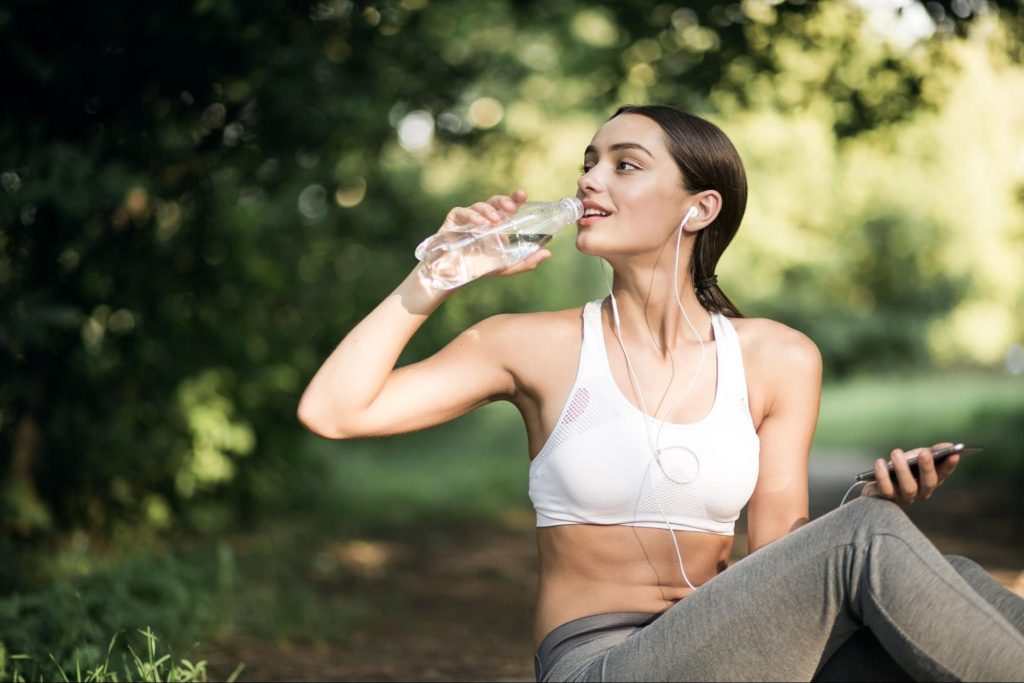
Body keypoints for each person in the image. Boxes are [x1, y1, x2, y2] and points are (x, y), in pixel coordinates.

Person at [297, 104, 1024, 681]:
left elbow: (781, 549)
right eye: (589, 163)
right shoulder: (530, 345)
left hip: (739, 649)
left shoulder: (777, 356)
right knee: (882, 553)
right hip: (602, 663)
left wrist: (870, 508)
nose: (589, 180)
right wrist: (438, 273)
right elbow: (333, 410)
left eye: (624, 165)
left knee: (941, 587)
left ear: (698, 208)